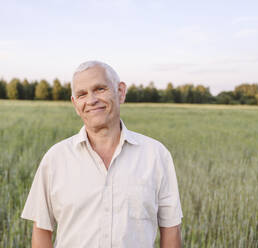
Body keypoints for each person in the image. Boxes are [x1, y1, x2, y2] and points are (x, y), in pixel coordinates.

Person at [21, 61, 183, 248]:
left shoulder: (156, 155)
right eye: (82, 94)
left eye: (99, 89)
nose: (91, 100)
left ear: (120, 92)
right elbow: (42, 229)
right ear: (75, 104)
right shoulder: (55, 158)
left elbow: (171, 228)